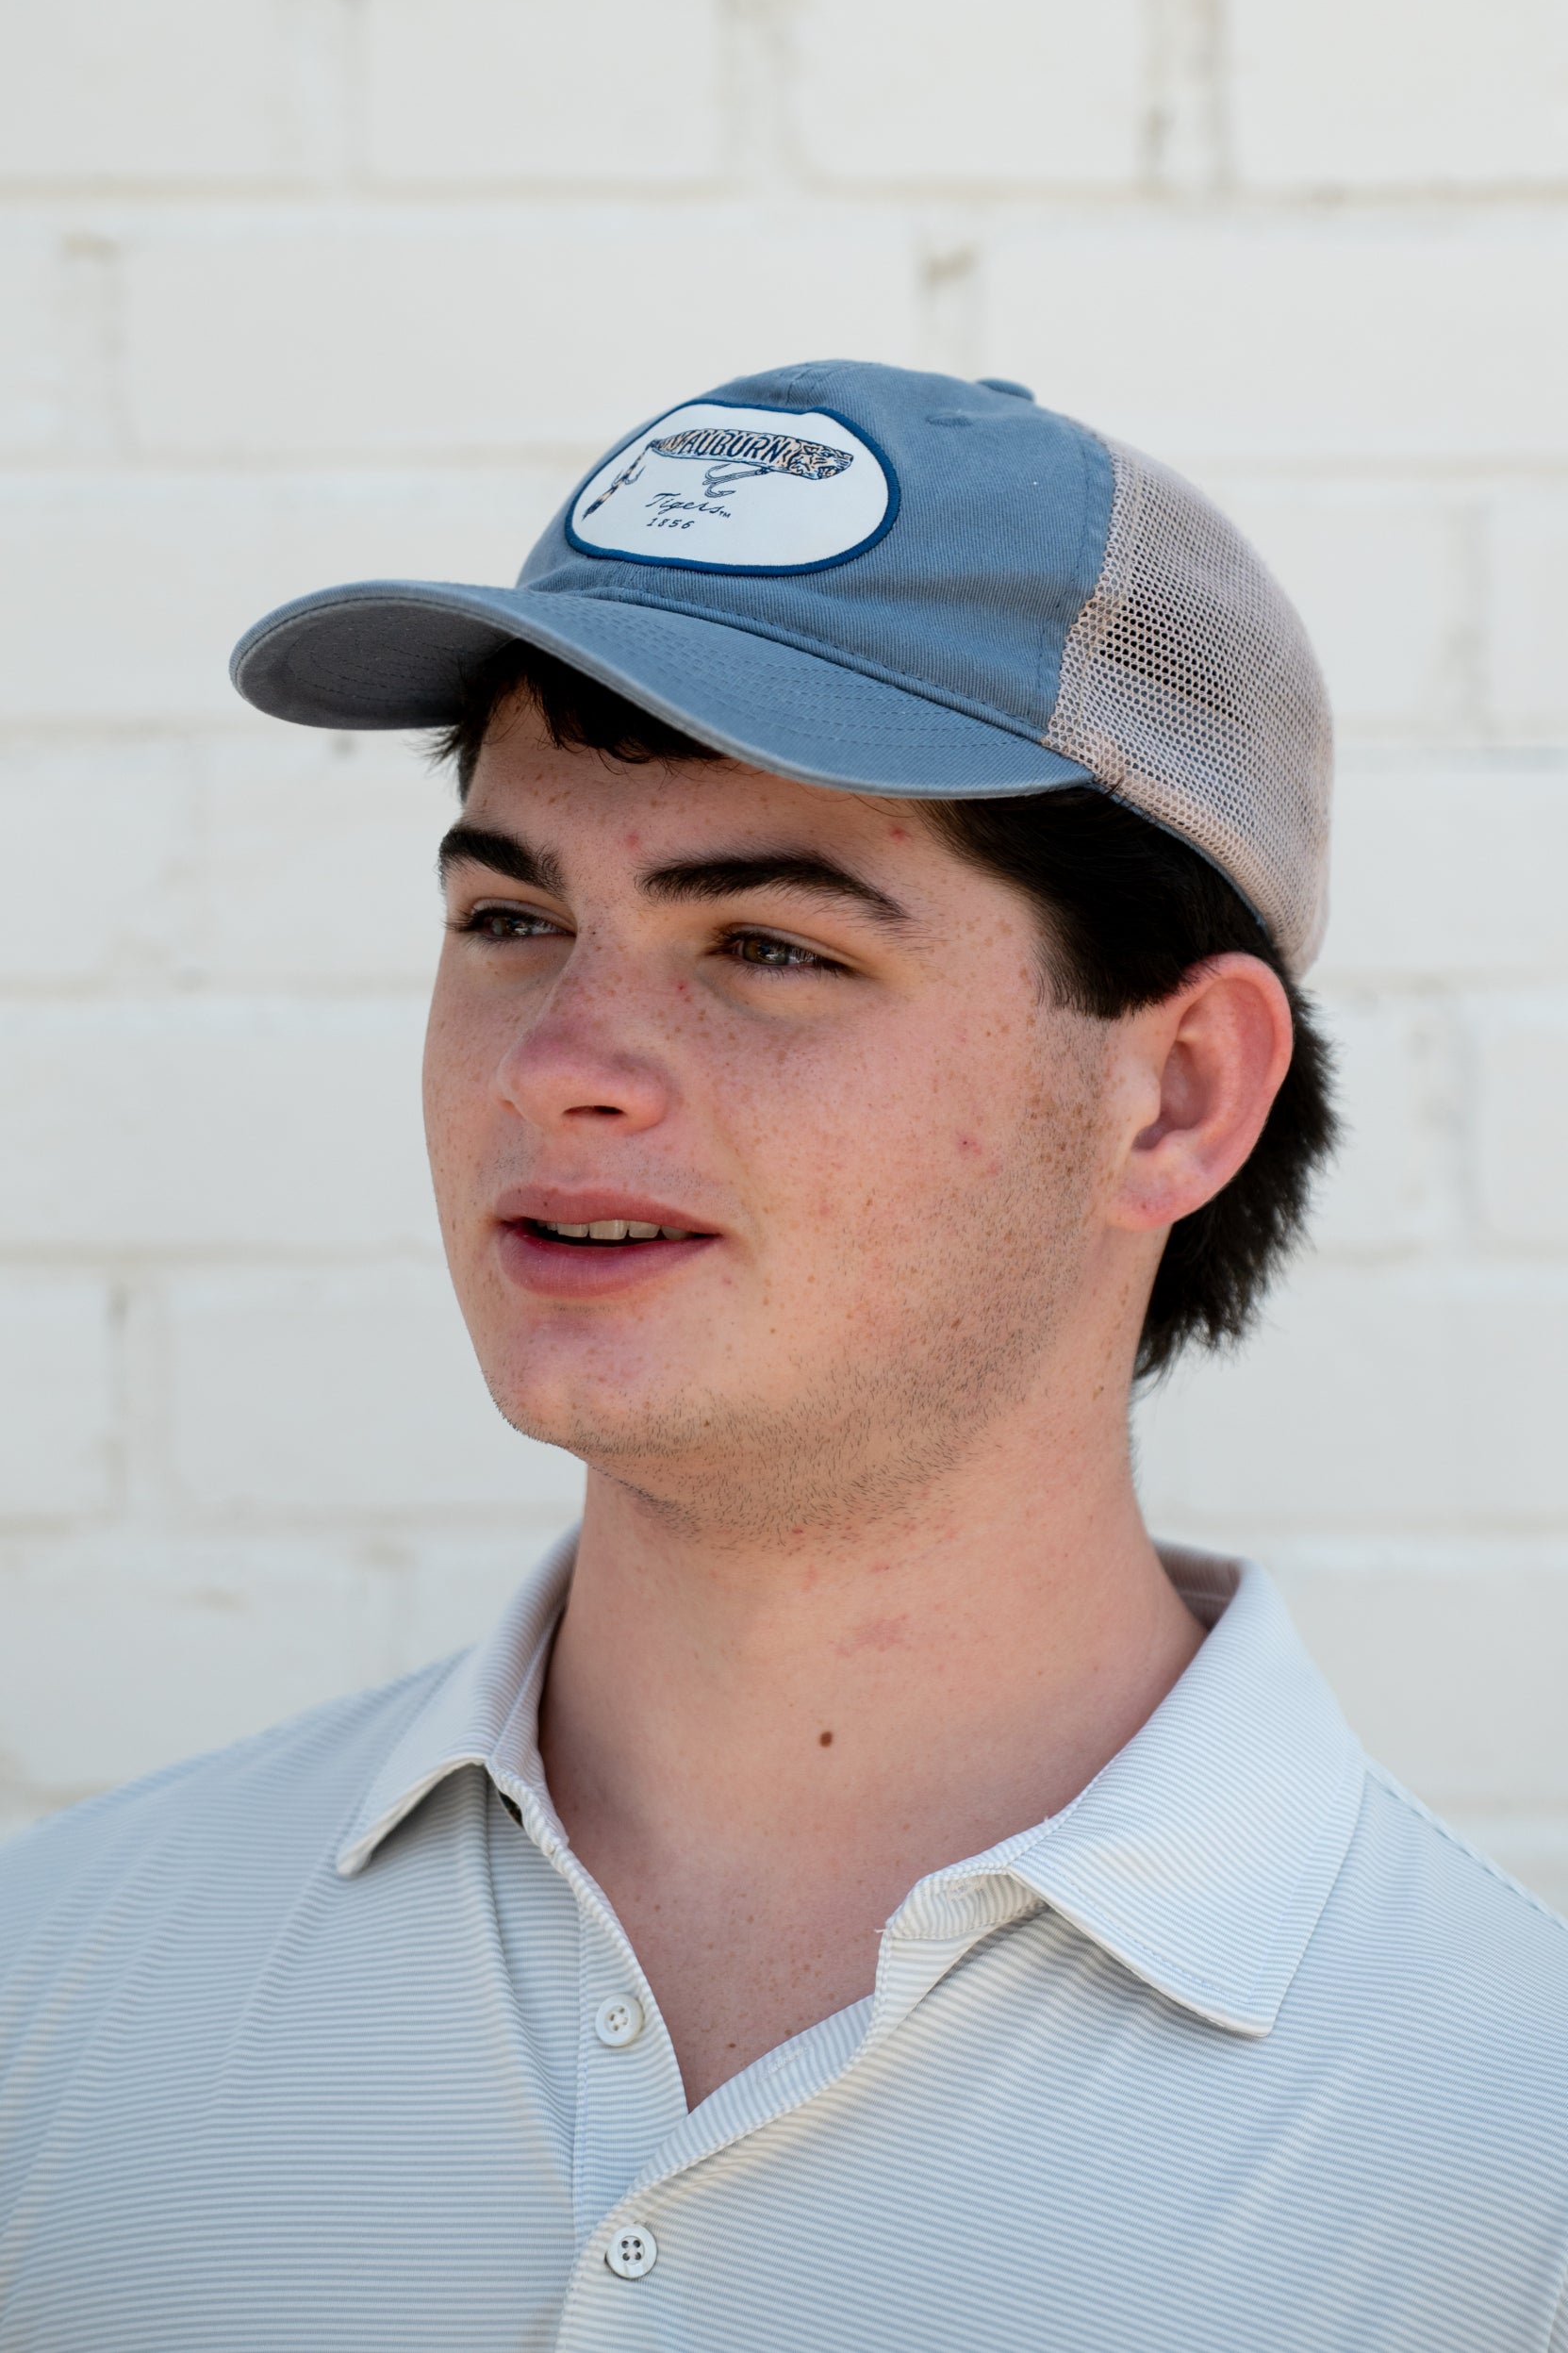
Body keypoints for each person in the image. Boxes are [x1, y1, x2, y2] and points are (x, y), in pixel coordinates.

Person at [2, 361, 1564, 2352]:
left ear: (1175, 1093)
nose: (558, 1065)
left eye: (768, 946)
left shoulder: (1504, 2165)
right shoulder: (57, 1990)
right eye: (510, 917)